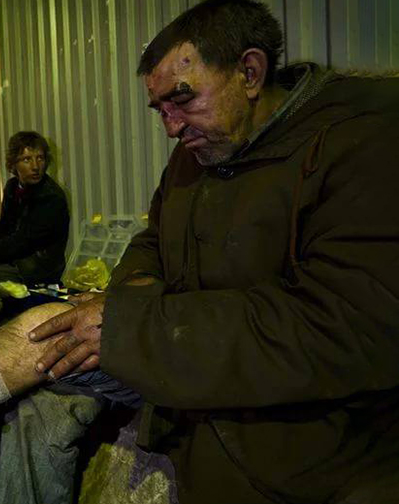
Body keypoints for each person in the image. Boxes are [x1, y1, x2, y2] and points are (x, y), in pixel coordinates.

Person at [27, 1, 399, 503]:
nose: (171, 127)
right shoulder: (195, 156)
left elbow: (340, 325)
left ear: (249, 72)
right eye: (160, 109)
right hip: (203, 441)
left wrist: (135, 326)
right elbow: (152, 241)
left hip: (317, 467)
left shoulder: (363, 141)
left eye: (182, 99)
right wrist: (134, 293)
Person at [0, 131, 70, 307]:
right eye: (27, 159)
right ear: (14, 164)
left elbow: (23, 241)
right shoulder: (12, 187)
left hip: (37, 267)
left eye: (40, 158)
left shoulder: (51, 197)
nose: (35, 166)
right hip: (17, 257)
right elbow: (6, 226)